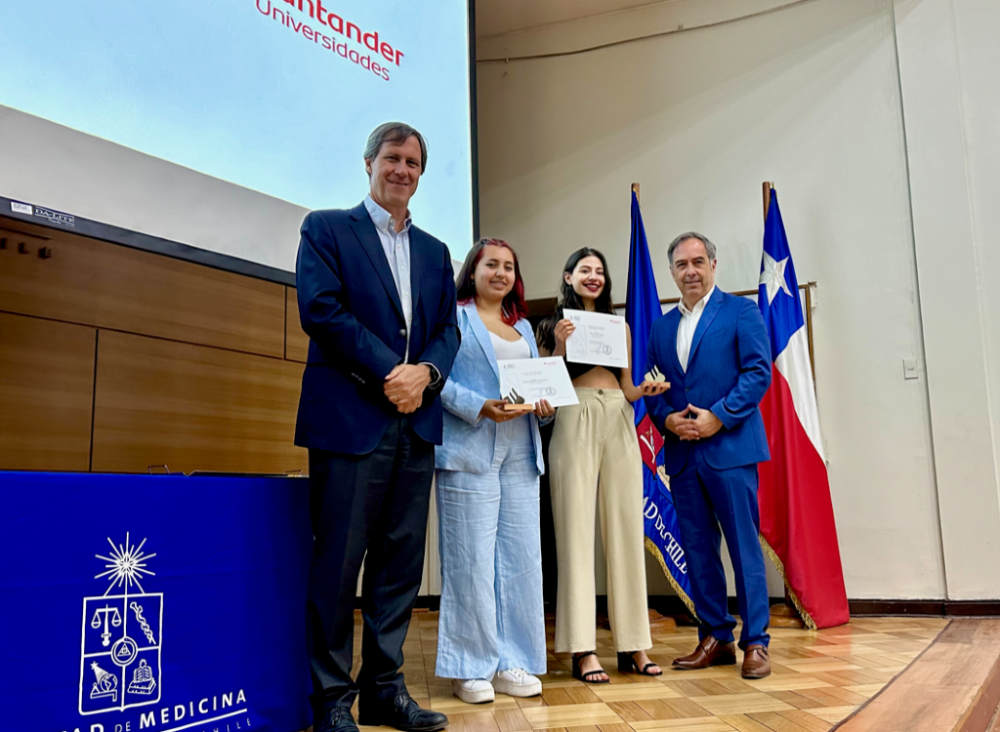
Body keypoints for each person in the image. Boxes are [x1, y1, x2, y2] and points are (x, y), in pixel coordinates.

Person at [295, 122, 459, 732]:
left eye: (413, 163)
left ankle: (384, 692)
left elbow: (448, 332)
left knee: (399, 568)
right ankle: (332, 701)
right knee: (338, 568)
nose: (402, 170)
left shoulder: (436, 252)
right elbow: (321, 310)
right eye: (392, 158)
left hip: (416, 426)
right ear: (369, 163)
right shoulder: (326, 228)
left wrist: (426, 375)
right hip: (351, 421)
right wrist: (393, 371)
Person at [643, 232, 773, 680]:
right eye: (682, 264)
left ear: (713, 265)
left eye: (698, 262)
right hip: (683, 456)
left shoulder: (741, 312)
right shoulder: (660, 328)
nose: (691, 271)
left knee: (743, 549)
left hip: (730, 449)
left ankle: (756, 642)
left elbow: (758, 372)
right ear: (672, 272)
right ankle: (715, 637)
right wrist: (666, 419)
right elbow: (653, 388)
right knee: (698, 552)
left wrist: (720, 416)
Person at [537, 248, 669, 684]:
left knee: (626, 527)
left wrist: (644, 390)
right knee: (574, 531)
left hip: (617, 414)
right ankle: (582, 647)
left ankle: (634, 643)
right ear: (568, 276)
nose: (593, 276)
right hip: (573, 413)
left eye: (599, 271)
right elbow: (546, 386)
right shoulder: (552, 325)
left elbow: (627, 387)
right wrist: (559, 345)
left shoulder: (619, 327)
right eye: (584, 270)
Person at [434, 238, 555, 704]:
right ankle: (469, 666)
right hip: (471, 445)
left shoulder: (522, 326)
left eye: (509, 266)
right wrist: (478, 406)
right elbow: (437, 379)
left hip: (521, 450)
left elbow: (538, 388)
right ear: (473, 270)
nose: (501, 273)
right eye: (492, 264)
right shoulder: (454, 317)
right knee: (471, 560)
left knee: (521, 560)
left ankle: (513, 661)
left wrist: (545, 406)